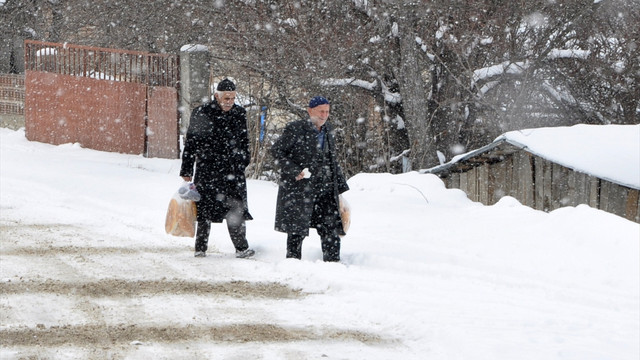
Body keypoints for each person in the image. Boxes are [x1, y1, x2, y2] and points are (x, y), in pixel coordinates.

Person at [180, 78, 255, 258]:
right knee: (204, 210)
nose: (229, 102)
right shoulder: (202, 113)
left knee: (236, 209)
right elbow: (191, 143)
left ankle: (241, 248)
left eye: (232, 98)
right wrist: (187, 169)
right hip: (208, 169)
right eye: (226, 98)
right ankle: (200, 248)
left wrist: (243, 160)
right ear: (216, 96)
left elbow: (244, 141)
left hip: (232, 171)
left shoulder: (239, 113)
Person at [271, 96, 349, 262]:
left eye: (327, 111)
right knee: (297, 228)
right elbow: (277, 152)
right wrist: (294, 170)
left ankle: (333, 262)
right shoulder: (296, 129)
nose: (324, 115)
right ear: (310, 110)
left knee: (330, 226)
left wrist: (340, 189)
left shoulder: (328, 130)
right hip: (301, 188)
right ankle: (292, 262)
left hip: (326, 187)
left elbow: (332, 159)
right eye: (321, 111)